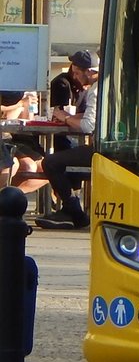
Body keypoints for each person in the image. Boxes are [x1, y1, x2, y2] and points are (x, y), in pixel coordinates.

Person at [32, 50, 100, 230]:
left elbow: (87, 127)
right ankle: (69, 211)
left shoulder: (94, 90)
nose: (76, 77)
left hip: (100, 149)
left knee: (51, 162)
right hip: (109, 146)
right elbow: (91, 117)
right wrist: (74, 116)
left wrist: (65, 118)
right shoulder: (107, 84)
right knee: (65, 155)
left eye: (77, 73)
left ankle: (75, 213)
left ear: (89, 71)